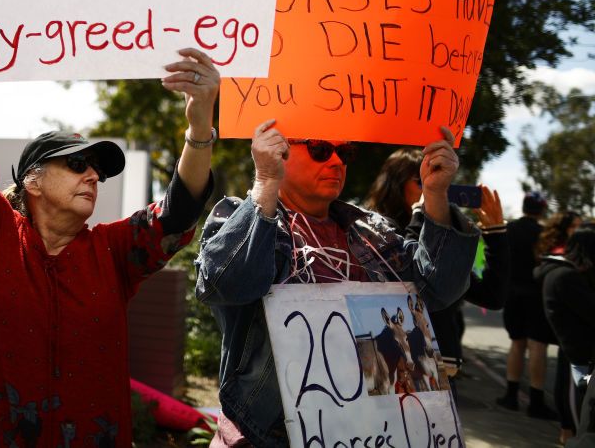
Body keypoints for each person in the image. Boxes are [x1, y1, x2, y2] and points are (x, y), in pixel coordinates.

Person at [0, 0, 216, 446]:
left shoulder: (114, 251)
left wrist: (200, 122)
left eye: (98, 170)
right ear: (32, 181)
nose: (93, 175)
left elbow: (181, 211)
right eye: (77, 164)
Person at [195, 121, 479, 447]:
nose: (336, 162)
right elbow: (227, 284)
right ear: (279, 150)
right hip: (267, 436)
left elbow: (437, 290)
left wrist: (436, 195)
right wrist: (266, 182)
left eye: (344, 152)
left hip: (372, 433)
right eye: (319, 149)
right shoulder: (239, 216)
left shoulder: (373, 230)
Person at [364, 155, 509, 388]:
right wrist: (423, 214)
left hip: (441, 375)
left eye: (441, 180)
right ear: (396, 184)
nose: (435, 185)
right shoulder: (369, 233)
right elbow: (414, 282)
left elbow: (492, 296)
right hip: (393, 375)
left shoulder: (444, 243)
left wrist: (496, 233)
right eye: (422, 180)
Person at [498, 190, 558, 419]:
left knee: (517, 343)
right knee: (538, 346)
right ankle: (536, 402)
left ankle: (511, 395)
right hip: (536, 294)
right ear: (542, 209)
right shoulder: (545, 234)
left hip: (512, 293)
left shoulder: (509, 229)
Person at [536, 216, 591, 444]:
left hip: (575, 355)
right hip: (578, 356)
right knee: (581, 423)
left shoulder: (565, 273)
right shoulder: (566, 277)